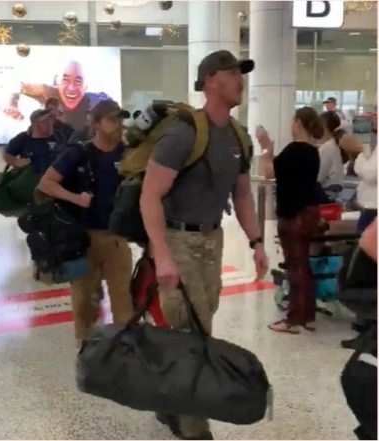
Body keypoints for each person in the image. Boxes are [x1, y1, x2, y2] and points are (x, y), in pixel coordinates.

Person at [139, 50, 267, 440]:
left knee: (196, 320)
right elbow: (149, 196)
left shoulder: (238, 137)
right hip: (177, 238)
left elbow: (242, 194)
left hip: (212, 239)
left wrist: (257, 242)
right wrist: (161, 253)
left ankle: (166, 403)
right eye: (233, 73)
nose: (240, 81)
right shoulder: (183, 134)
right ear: (211, 81)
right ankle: (193, 425)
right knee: (194, 331)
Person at [37, 99, 134, 342]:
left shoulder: (129, 154)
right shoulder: (78, 153)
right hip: (82, 240)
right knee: (84, 302)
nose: (118, 125)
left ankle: (123, 353)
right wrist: (75, 198)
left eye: (120, 119)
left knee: (124, 302)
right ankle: (87, 349)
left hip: (117, 237)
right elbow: (46, 184)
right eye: (112, 119)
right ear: (96, 124)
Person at [258, 107, 325, 334]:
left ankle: (293, 319)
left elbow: (269, 172)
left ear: (298, 123)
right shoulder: (313, 152)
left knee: (295, 266)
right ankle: (309, 316)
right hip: (309, 213)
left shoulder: (294, 149)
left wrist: (266, 146)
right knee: (304, 264)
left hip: (292, 214)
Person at [3, 108, 58, 176]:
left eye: (51, 121)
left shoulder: (57, 138)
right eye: (46, 121)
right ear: (36, 124)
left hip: (51, 181)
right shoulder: (23, 138)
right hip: (30, 181)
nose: (50, 124)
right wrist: (16, 162)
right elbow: (7, 153)